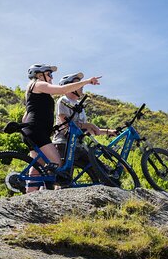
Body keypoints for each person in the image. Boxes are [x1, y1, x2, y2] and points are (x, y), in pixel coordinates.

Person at [22, 64, 101, 192]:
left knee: (37, 166)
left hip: (33, 131)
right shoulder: (38, 84)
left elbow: (25, 116)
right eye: (49, 74)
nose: (51, 78)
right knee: (57, 163)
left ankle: (29, 196)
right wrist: (86, 81)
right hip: (37, 131)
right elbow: (63, 89)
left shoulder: (33, 92)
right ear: (38, 75)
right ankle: (48, 190)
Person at [52, 72, 115, 164]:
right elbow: (66, 124)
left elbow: (85, 129)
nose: (81, 86)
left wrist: (108, 132)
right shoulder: (64, 100)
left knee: (99, 168)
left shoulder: (79, 104)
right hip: (64, 143)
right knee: (63, 176)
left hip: (77, 145)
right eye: (77, 84)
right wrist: (89, 125)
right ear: (70, 87)